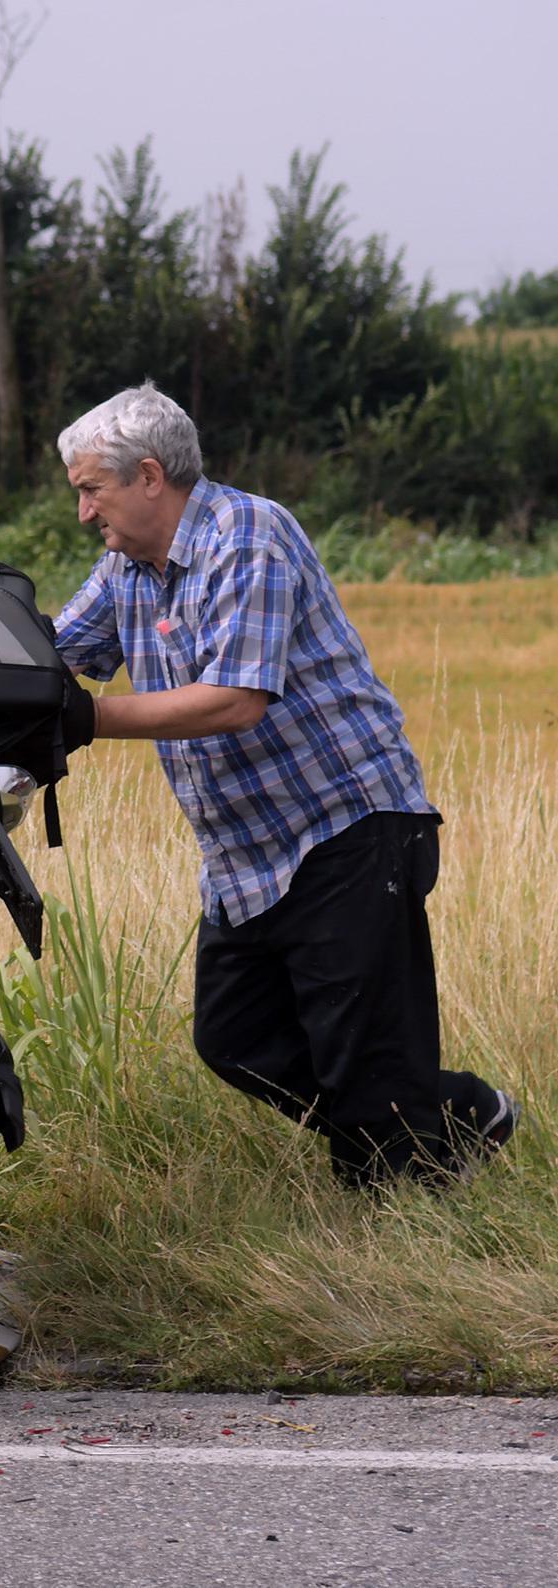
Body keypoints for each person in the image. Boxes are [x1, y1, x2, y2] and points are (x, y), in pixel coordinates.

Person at [51, 381, 514, 1186]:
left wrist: (82, 722)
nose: (85, 513)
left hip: (346, 825)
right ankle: (460, 1117)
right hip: (245, 853)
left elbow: (235, 700)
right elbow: (51, 655)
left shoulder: (248, 536)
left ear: (149, 477)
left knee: (364, 1052)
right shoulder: (126, 569)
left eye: (92, 490)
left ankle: (399, 1226)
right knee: (232, 1038)